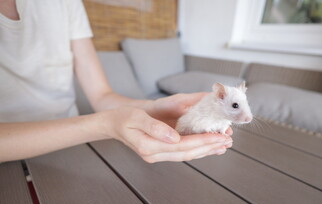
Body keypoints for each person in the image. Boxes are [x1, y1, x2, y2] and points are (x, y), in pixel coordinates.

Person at [0, 0, 233, 163]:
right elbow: (104, 120)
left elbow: (101, 96)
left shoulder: (66, 3)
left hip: (72, 148)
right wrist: (102, 125)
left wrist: (150, 108)